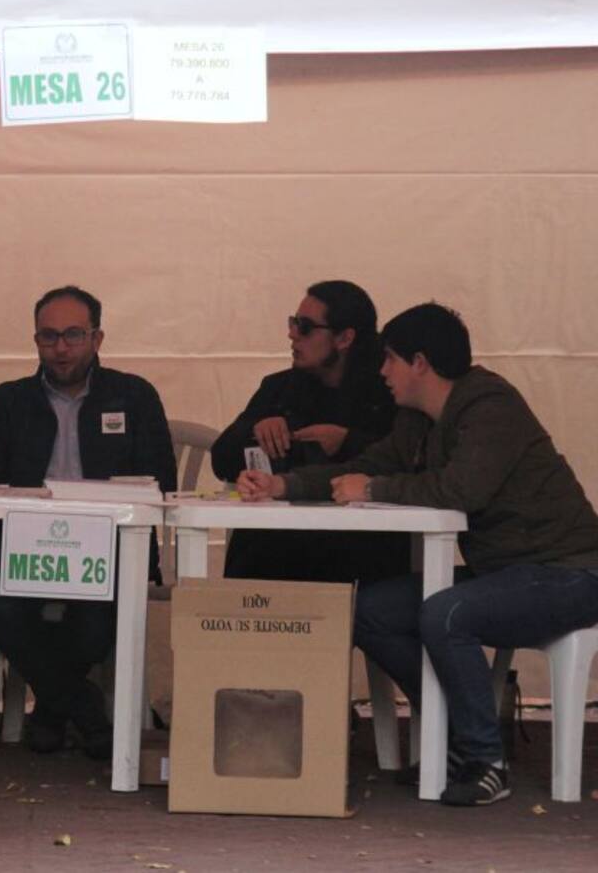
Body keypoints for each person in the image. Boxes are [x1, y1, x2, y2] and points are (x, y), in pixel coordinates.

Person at [238, 302, 598, 807]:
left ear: (421, 362)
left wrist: (376, 486)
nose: (381, 371)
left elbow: (461, 489)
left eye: (389, 359)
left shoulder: (491, 406)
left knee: (446, 612)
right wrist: (283, 483)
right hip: (503, 570)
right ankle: (457, 729)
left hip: (570, 571)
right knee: (371, 610)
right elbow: (365, 464)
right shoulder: (419, 420)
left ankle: (484, 761)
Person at [0, 286, 176, 759]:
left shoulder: (134, 396)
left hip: (112, 545)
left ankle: (53, 710)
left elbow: (158, 484)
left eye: (73, 335)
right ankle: (83, 706)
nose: (60, 348)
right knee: (0, 609)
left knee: (95, 622)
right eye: (49, 336)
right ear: (35, 340)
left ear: (98, 338)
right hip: (20, 545)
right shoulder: (7, 402)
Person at [210, 280, 406, 583]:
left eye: (304, 326)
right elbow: (222, 460)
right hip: (273, 545)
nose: (292, 334)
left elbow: (408, 459)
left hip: (359, 547)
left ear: (344, 338)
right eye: (293, 323)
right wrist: (255, 428)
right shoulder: (280, 389)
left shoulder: (388, 392)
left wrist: (346, 440)